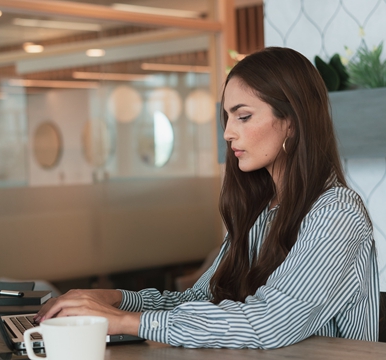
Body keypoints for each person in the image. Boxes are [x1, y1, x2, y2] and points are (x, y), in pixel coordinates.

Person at [34, 47, 379, 348]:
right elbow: (200, 299)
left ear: (291, 122)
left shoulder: (337, 213)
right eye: (227, 117)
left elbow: (271, 322)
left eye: (243, 116)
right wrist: (115, 300)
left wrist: (124, 321)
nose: (228, 132)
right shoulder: (263, 211)